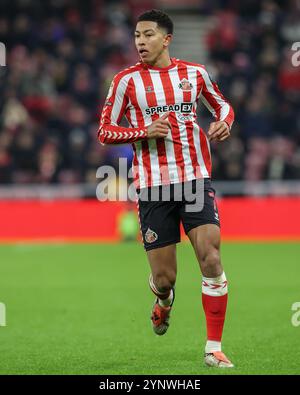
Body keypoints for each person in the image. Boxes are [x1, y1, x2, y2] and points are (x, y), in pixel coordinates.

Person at [98, 9, 234, 368]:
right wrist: (141, 131)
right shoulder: (126, 81)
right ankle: (164, 301)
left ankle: (213, 347)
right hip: (154, 188)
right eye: (136, 36)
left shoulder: (195, 73)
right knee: (164, 277)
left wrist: (223, 122)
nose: (140, 42)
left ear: (166, 39)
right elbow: (105, 130)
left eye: (147, 35)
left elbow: (223, 107)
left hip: (194, 179)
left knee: (212, 257)